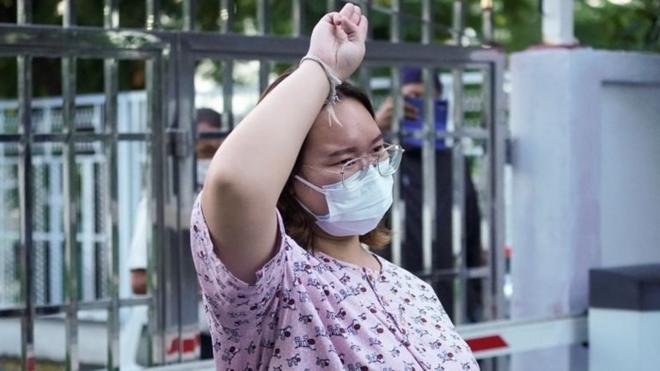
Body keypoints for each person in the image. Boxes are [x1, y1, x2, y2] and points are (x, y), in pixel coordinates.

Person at [190, 3, 478, 369]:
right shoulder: (276, 285)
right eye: (344, 160)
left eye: (377, 149)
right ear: (289, 181)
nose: (371, 169)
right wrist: (322, 67)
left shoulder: (413, 291)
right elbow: (235, 183)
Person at [375, 67, 484, 323]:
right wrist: (377, 128)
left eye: (428, 98)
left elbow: (471, 219)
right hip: (391, 283)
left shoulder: (452, 159)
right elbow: (345, 173)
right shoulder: (380, 155)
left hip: (445, 283)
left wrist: (476, 287)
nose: (420, 105)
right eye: (412, 96)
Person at [129, 108, 223, 361]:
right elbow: (139, 281)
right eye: (200, 153)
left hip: (230, 337)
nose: (206, 166)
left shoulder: (240, 201)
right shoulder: (158, 204)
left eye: (214, 153)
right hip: (177, 337)